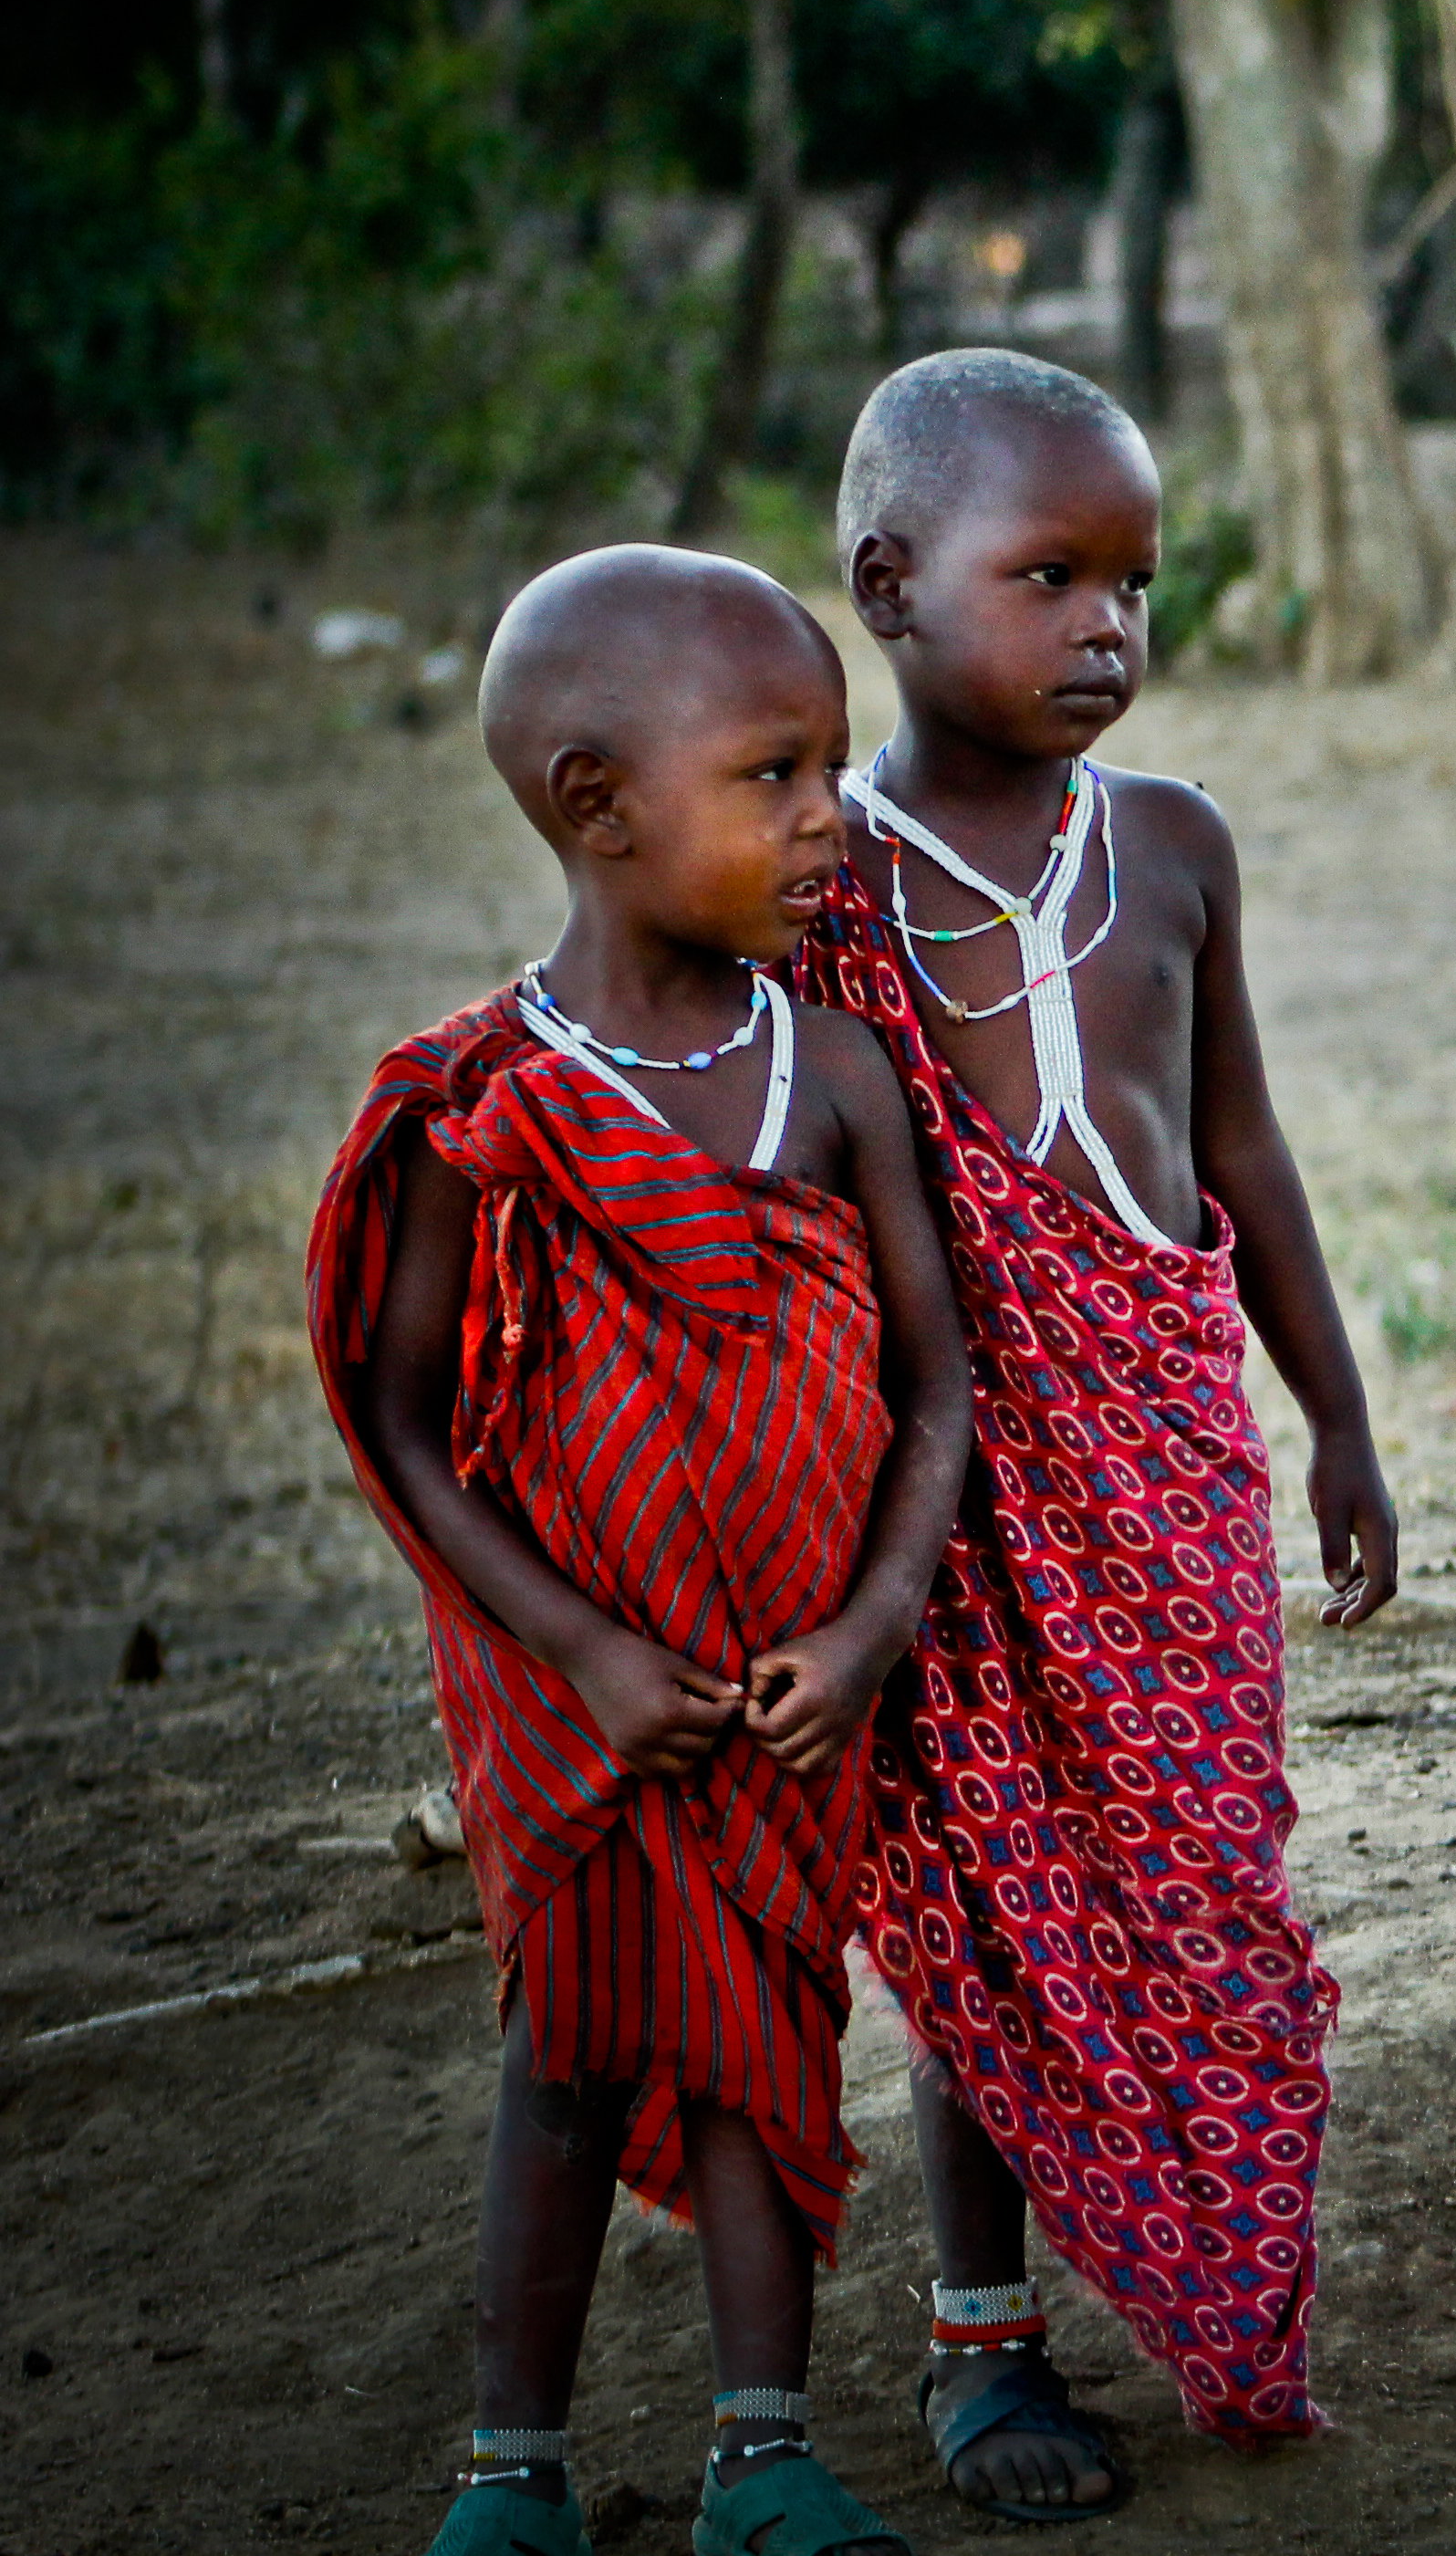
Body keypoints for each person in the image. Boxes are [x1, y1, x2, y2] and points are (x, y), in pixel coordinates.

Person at [308, 547, 974, 2556]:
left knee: (770, 2027)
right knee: (574, 2045)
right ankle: (510, 2471)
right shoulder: (479, 1109)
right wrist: (581, 1650)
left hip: (785, 1693)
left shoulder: (836, 1074)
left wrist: (869, 1627)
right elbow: (408, 1426)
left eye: (834, 769)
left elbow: (940, 1389)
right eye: (774, 774)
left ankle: (761, 2451)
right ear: (600, 806)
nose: (827, 821)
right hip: (579, 1699)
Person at [788, 349, 1402, 2508]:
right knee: (991, 1912)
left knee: (1208, 1880)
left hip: (1168, 1471)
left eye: (1138, 581)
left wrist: (1336, 1416)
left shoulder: (1169, 847)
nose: (1108, 629)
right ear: (887, 584)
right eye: (1046, 576)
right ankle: (985, 2345)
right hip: (944, 1507)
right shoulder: (810, 894)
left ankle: (1229, 2277)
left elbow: (1244, 1146)